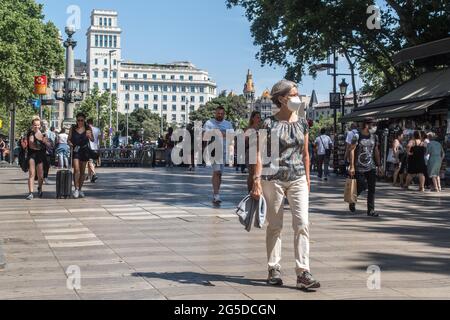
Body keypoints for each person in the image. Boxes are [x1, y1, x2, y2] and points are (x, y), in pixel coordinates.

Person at [251, 80, 320, 290]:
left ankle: (303, 272)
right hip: (273, 179)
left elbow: (306, 154)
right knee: (275, 225)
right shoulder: (268, 124)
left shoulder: (302, 123)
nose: (297, 98)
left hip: (298, 177)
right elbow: (259, 154)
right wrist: (256, 181)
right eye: (293, 95)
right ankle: (274, 268)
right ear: (282, 99)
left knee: (302, 224)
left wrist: (308, 179)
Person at [348, 118, 383, 217]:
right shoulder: (357, 136)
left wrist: (379, 165)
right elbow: (351, 150)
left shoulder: (374, 137)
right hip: (359, 167)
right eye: (373, 124)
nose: (375, 127)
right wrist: (351, 166)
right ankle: (352, 200)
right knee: (361, 185)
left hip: (371, 166)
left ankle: (371, 210)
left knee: (372, 189)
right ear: (367, 125)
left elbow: (376, 151)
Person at [203, 106, 234, 204]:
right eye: (218, 113)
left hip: (224, 151)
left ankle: (216, 192)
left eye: (222, 113)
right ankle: (216, 195)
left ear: (224, 114)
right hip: (214, 150)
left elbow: (231, 136)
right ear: (215, 113)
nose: (220, 115)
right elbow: (204, 135)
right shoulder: (209, 123)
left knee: (219, 174)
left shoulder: (228, 124)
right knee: (216, 172)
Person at [68, 113, 94, 199]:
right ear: (76, 120)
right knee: (76, 170)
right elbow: (68, 139)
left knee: (82, 171)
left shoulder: (88, 128)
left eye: (82, 120)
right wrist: (70, 143)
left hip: (84, 150)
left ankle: (80, 189)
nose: (80, 122)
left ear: (84, 120)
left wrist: (89, 136)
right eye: (78, 120)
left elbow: (93, 139)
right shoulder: (73, 128)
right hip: (76, 150)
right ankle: (75, 189)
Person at [26, 116, 52, 200]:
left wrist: (46, 142)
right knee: (32, 173)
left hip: (41, 156)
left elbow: (50, 145)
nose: (36, 126)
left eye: (38, 125)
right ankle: (30, 193)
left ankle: (40, 188)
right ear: (32, 125)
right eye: (34, 125)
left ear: (40, 125)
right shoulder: (30, 134)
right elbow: (31, 145)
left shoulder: (43, 134)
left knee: (41, 176)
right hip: (32, 155)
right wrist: (36, 144)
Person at [245, 111, 261, 192]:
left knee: (258, 173)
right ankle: (249, 191)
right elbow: (244, 141)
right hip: (250, 152)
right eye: (257, 117)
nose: (259, 119)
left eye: (259, 117)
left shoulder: (261, 128)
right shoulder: (249, 129)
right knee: (251, 173)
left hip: (260, 153)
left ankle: (257, 190)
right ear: (253, 118)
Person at [87, 118, 101, 183]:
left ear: (88, 123)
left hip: (89, 147)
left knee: (90, 162)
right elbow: (100, 138)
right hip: (96, 147)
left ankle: (94, 174)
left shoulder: (87, 130)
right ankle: (90, 177)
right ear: (92, 122)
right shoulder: (97, 129)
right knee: (92, 163)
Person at [41, 120, 55, 185]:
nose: (44, 125)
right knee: (40, 165)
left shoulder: (51, 133)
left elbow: (53, 143)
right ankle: (41, 177)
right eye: (43, 124)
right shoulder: (39, 132)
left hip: (48, 151)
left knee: (47, 164)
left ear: (48, 125)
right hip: (40, 151)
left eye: (45, 124)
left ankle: (45, 177)